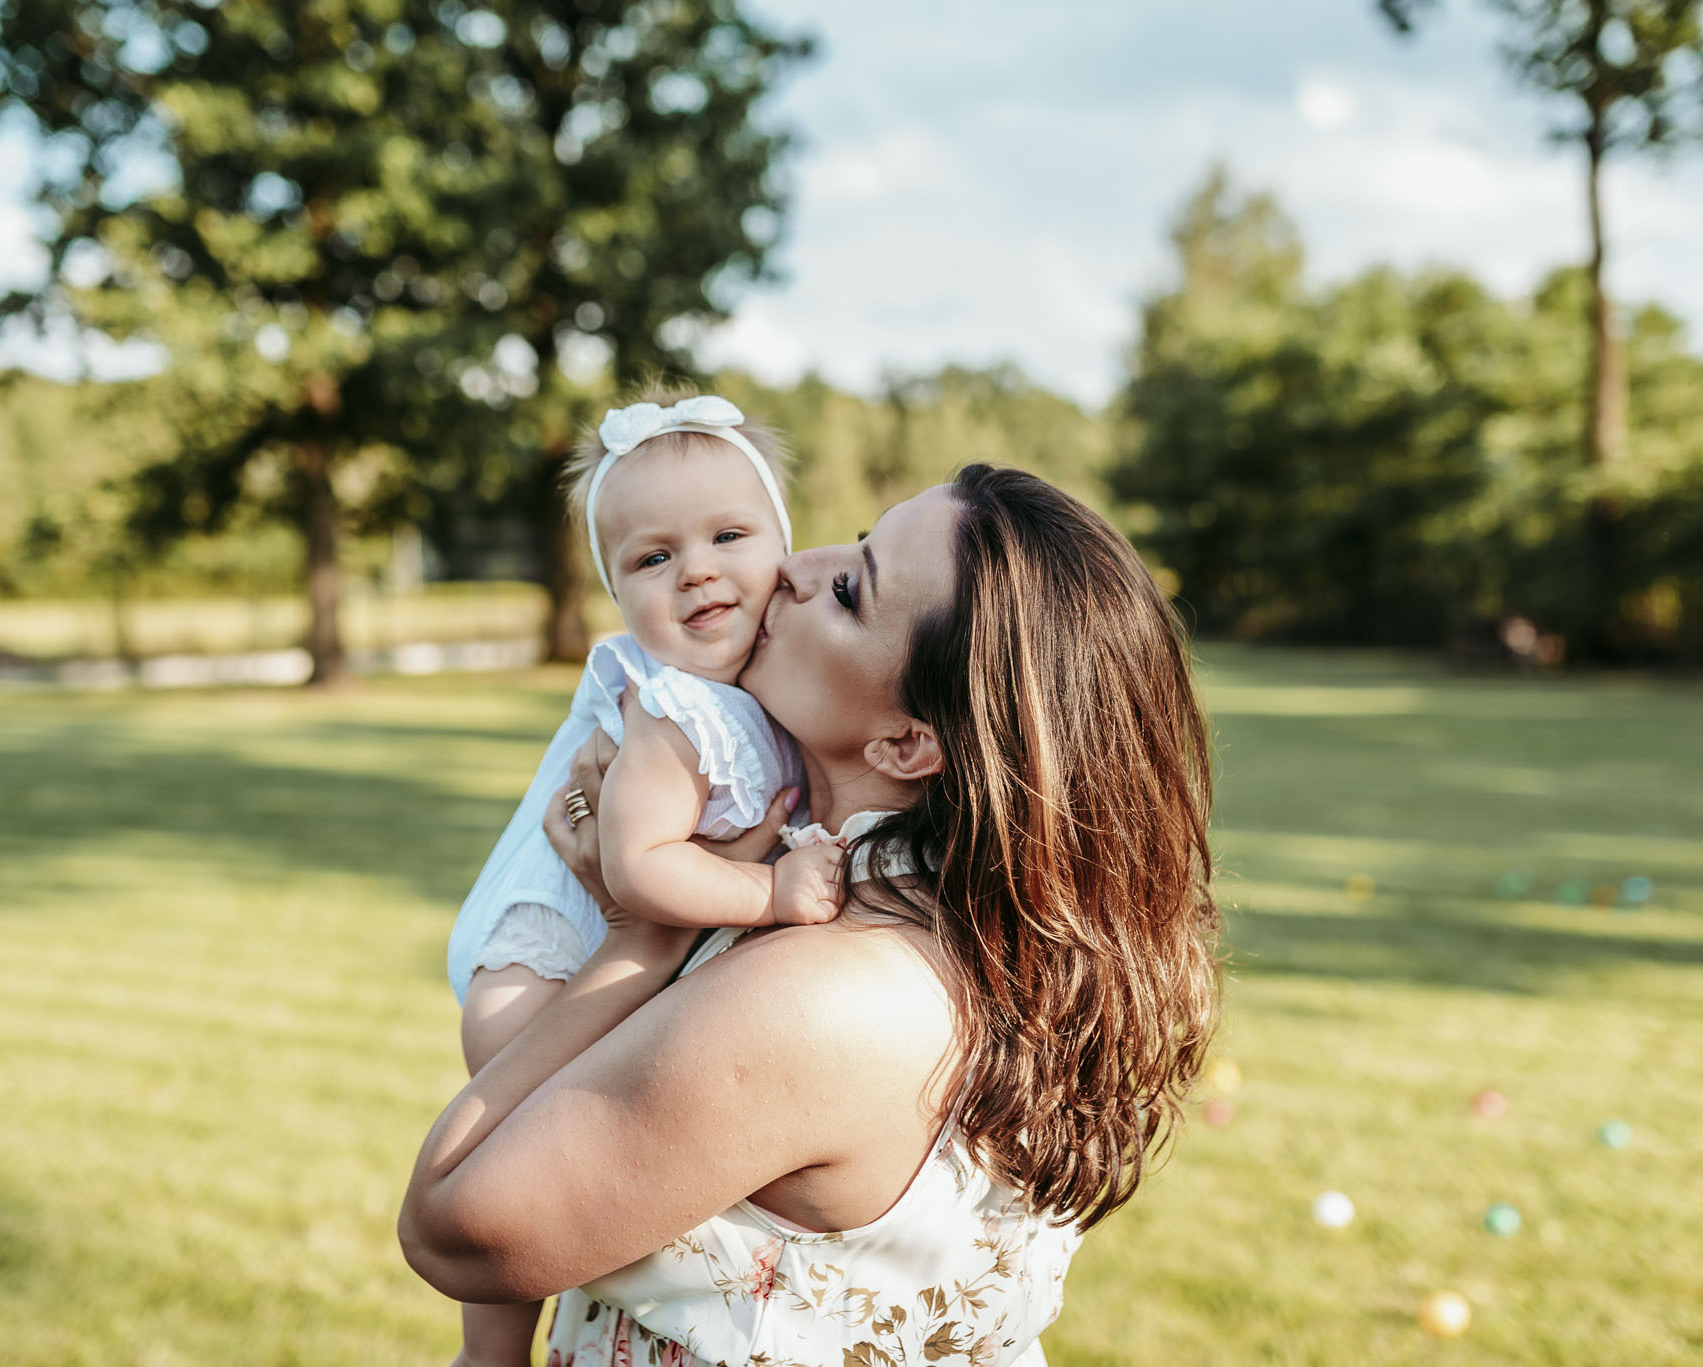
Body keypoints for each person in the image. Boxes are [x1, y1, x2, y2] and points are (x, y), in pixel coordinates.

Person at [403, 465, 1222, 1366]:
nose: (793, 567)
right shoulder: (976, 925)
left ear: (907, 742)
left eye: (849, 590)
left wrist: (639, 937)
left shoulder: (829, 991)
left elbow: (452, 1231)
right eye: (856, 539)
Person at [445, 392, 849, 1366]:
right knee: (509, 1180)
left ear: (785, 551)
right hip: (541, 975)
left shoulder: (742, 695)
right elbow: (637, 865)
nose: (696, 569)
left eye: (727, 535)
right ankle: (487, 1351)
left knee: (526, 1181)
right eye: (652, 557)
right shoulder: (677, 713)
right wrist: (771, 895)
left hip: (585, 966)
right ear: (616, 592)